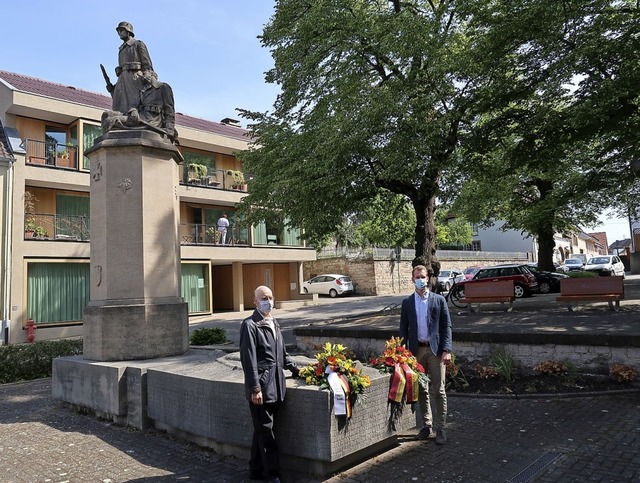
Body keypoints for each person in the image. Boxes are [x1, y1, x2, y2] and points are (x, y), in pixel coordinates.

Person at [239, 286, 298, 483]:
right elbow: (249, 360)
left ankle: (255, 472)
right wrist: (255, 389)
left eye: (271, 297)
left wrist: (298, 369)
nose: (268, 301)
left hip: (277, 386)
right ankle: (273, 476)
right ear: (255, 301)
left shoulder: (274, 322)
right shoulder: (250, 325)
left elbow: (282, 354)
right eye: (264, 298)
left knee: (261, 430)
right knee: (267, 435)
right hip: (262, 387)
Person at [399, 264, 453, 445]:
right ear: (412, 279)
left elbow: (447, 327)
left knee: (438, 390)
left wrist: (447, 350)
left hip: (436, 351)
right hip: (416, 351)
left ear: (428, 278)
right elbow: (403, 330)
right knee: (421, 390)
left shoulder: (439, 300)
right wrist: (401, 353)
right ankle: (426, 425)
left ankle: (441, 428)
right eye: (417, 276)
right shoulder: (407, 303)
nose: (420, 279)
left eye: (423, 276)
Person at [111, 21, 155, 115]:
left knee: (134, 104)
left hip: (135, 78)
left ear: (128, 31)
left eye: (122, 30)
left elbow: (146, 63)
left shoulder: (138, 44)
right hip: (122, 79)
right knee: (118, 104)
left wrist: (147, 75)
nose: (119, 33)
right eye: (118, 31)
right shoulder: (121, 49)